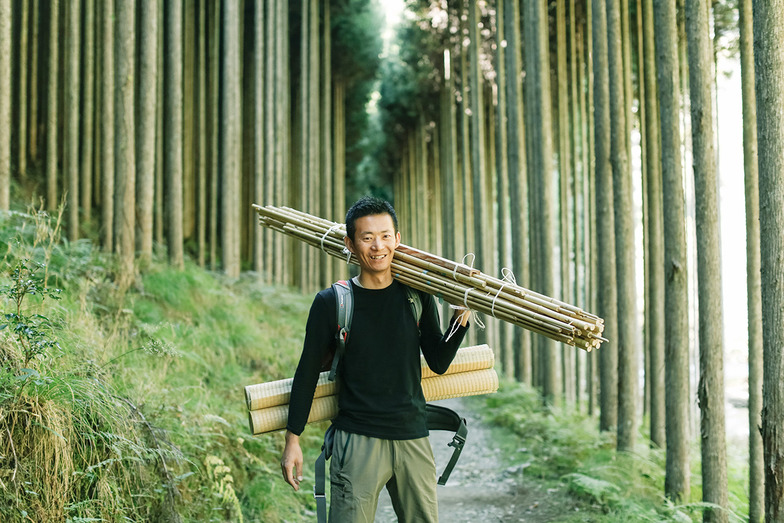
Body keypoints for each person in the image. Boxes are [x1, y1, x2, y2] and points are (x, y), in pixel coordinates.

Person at [280, 196, 471, 522]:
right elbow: (307, 371)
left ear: (397, 239)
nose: (377, 246)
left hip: (413, 437)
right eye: (367, 237)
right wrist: (292, 441)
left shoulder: (416, 294)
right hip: (357, 441)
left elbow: (438, 360)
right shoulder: (332, 302)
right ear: (350, 244)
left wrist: (461, 313)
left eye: (385, 236)